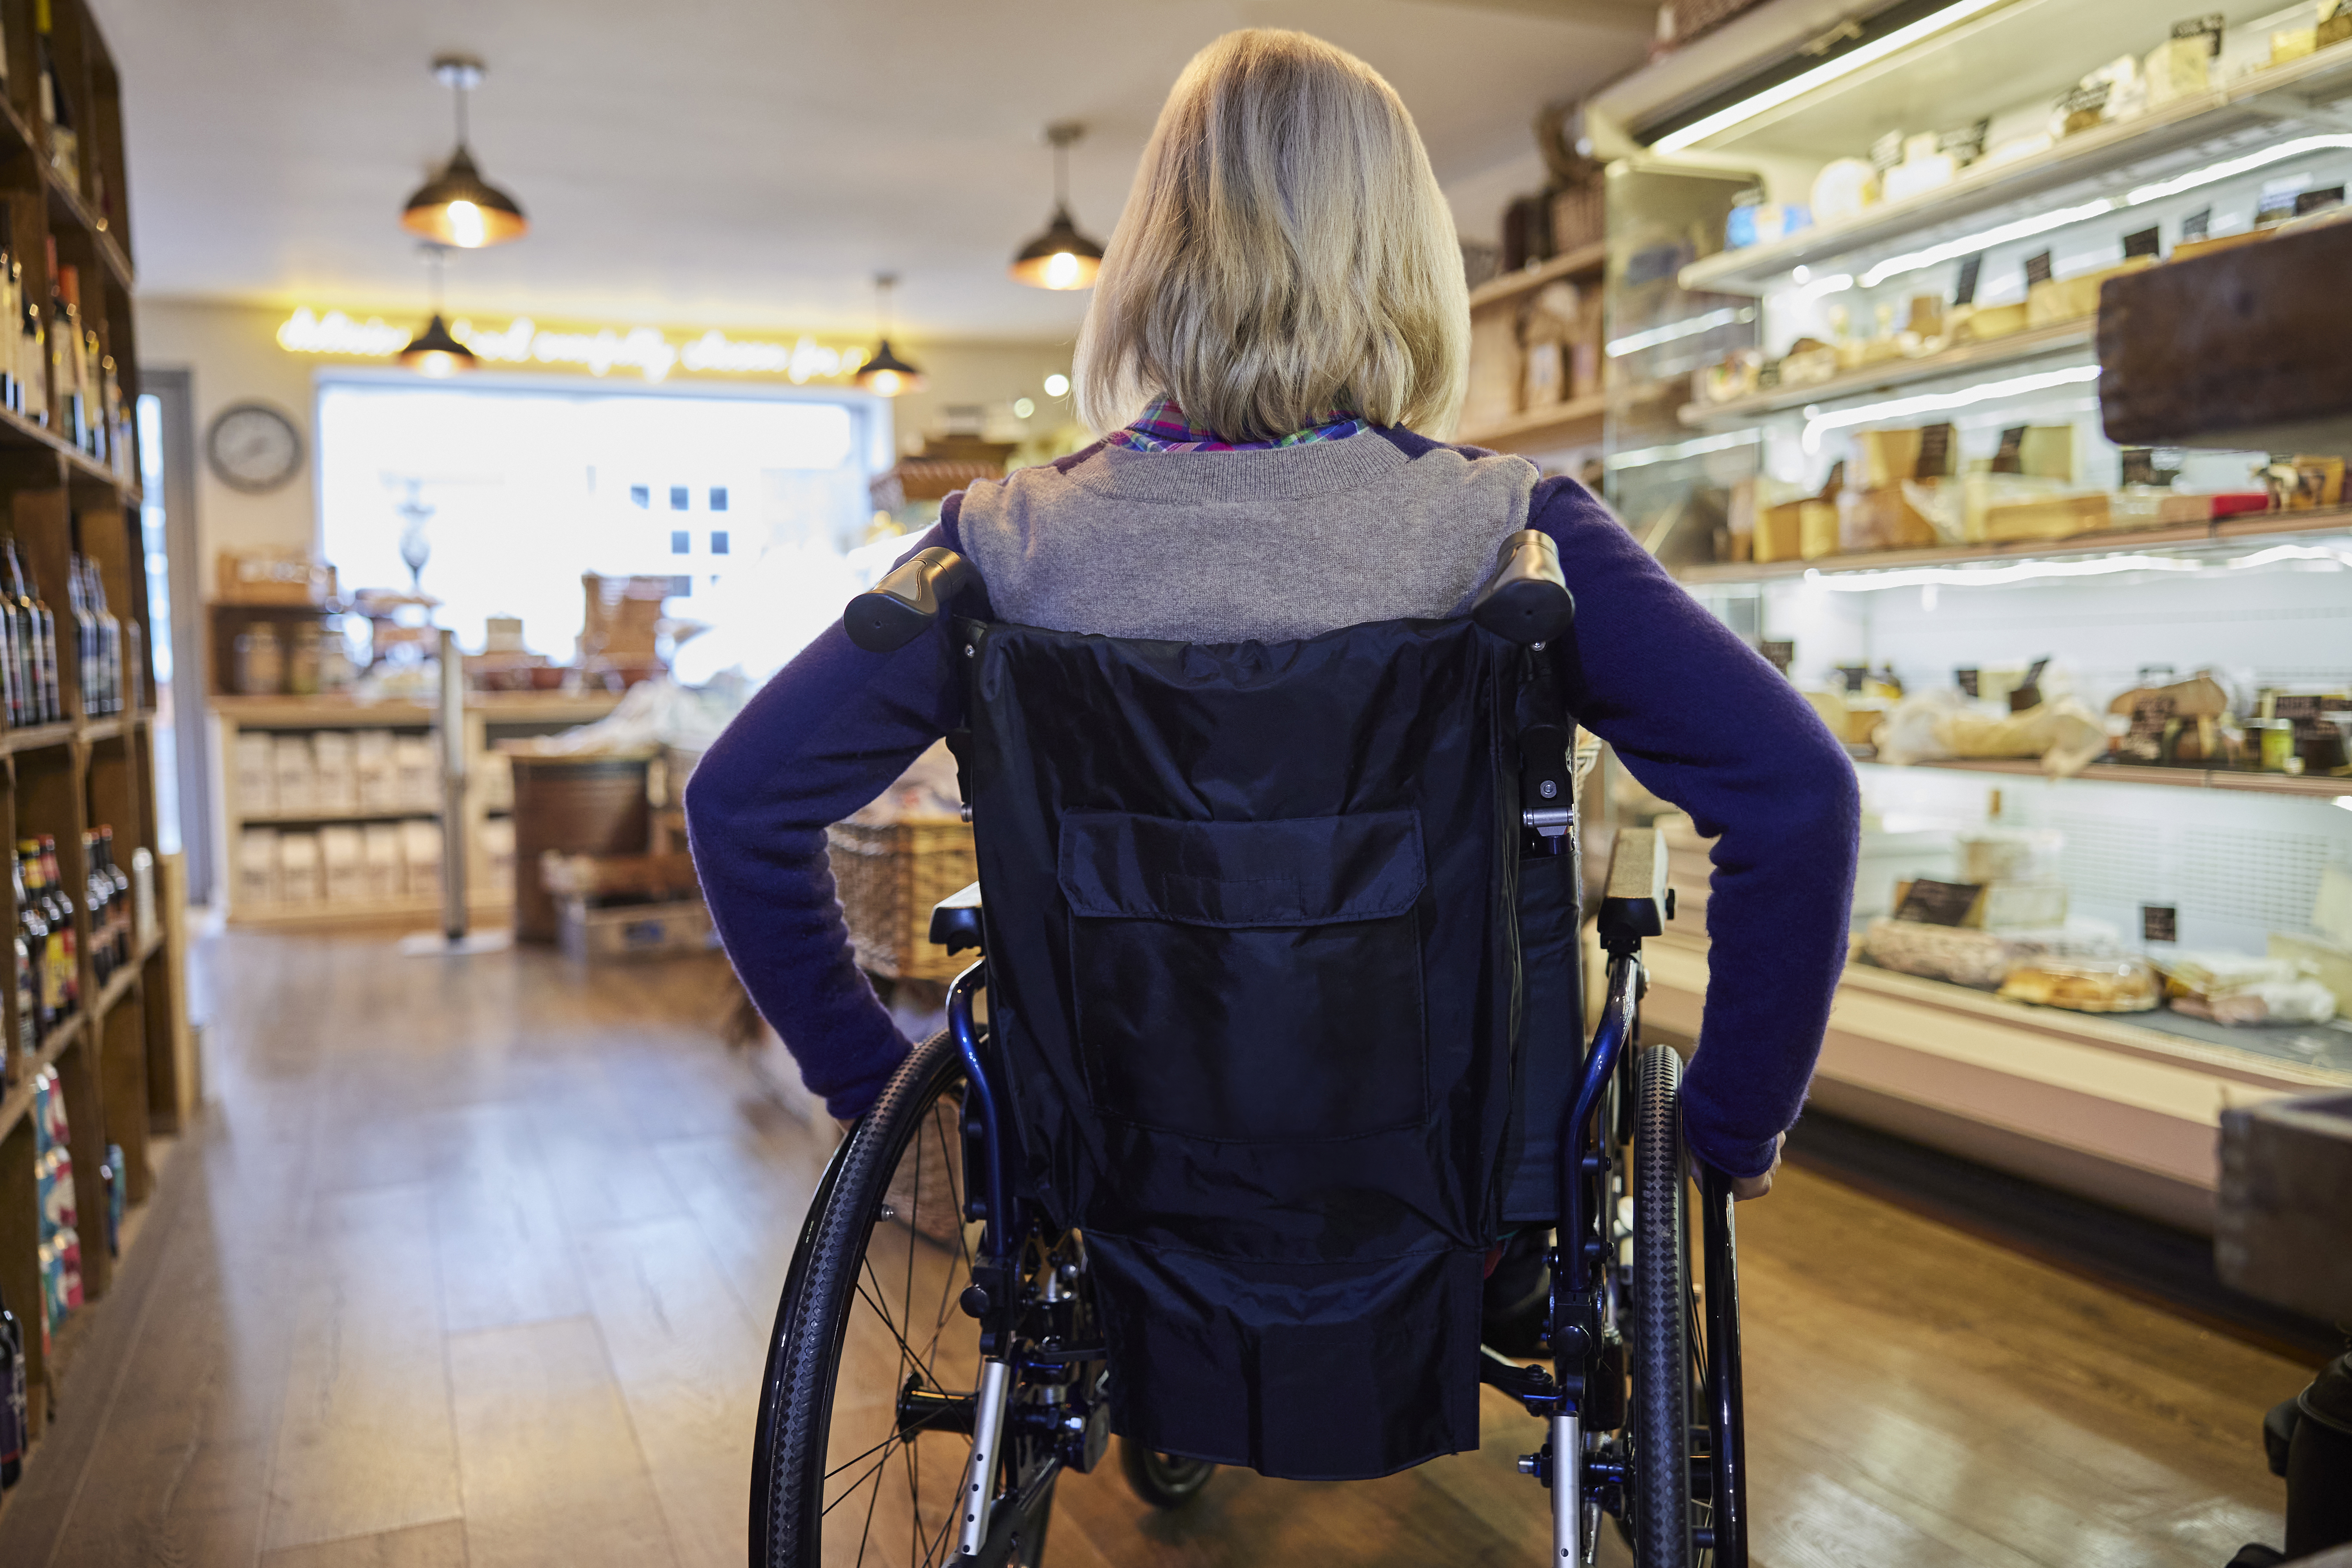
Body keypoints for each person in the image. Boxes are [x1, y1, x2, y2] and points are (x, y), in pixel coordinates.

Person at [686, 28, 1859, 1201]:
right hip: (1451, 1173)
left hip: (1108, 1166)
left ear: (1152, 248)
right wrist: (1724, 1133)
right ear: (1404, 253)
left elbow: (741, 804)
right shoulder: (1514, 532)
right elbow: (1798, 800)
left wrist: (870, 1084)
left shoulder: (1002, 542)